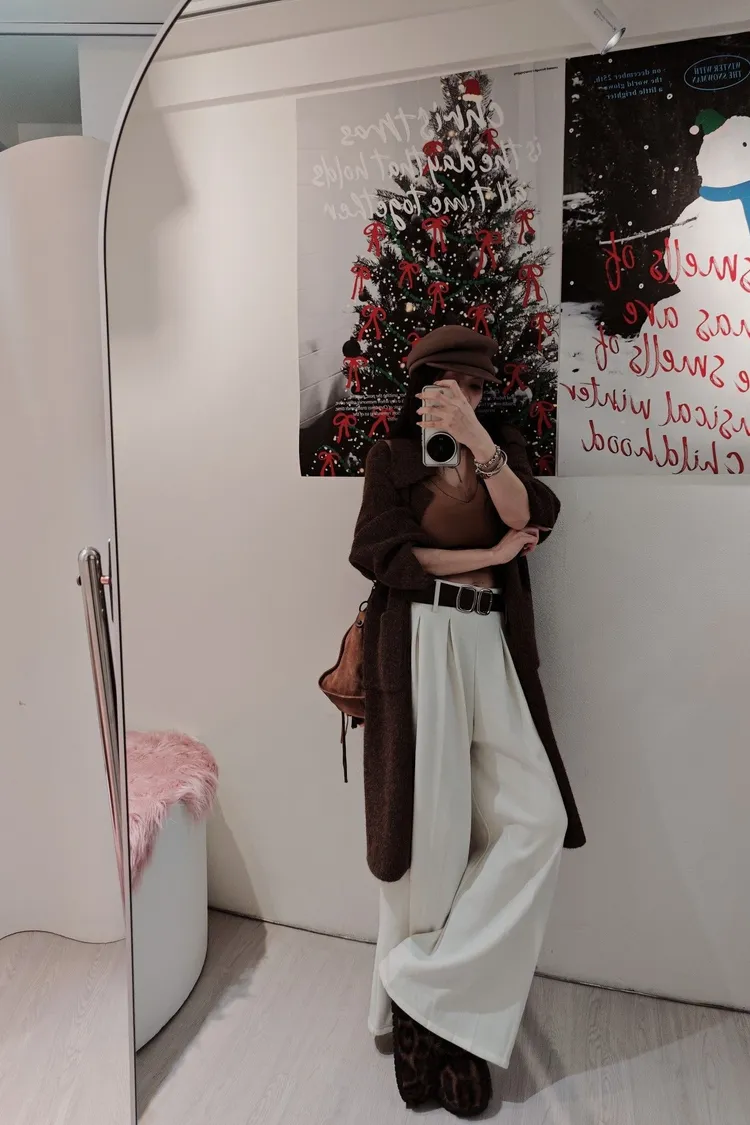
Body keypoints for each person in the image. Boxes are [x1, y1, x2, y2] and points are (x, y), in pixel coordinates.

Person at [349, 325, 585, 1118]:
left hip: (491, 643)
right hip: (420, 642)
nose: (465, 396)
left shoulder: (499, 448)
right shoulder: (392, 457)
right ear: (421, 386)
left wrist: (480, 439)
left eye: (478, 386)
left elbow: (533, 517)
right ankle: (434, 1030)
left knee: (537, 818)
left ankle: (422, 988)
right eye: (450, 385)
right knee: (435, 837)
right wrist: (488, 555)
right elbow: (385, 557)